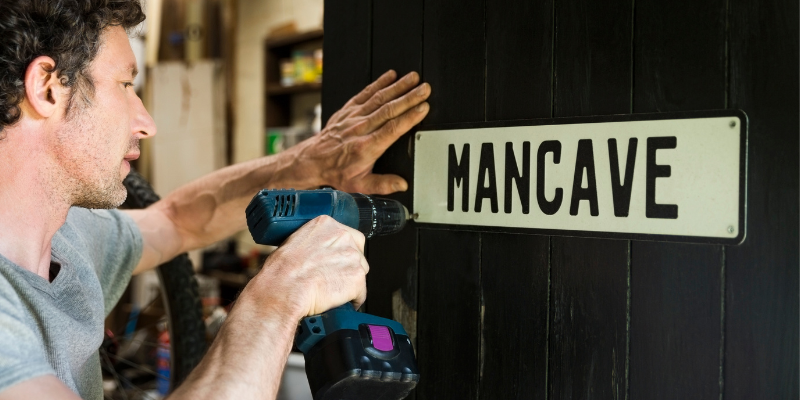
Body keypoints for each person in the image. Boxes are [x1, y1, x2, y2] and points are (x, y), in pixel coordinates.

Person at [0, 1, 431, 399]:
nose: (146, 123)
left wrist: (307, 163)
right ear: (48, 87)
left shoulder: (68, 238)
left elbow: (176, 220)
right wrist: (279, 296)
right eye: (126, 84)